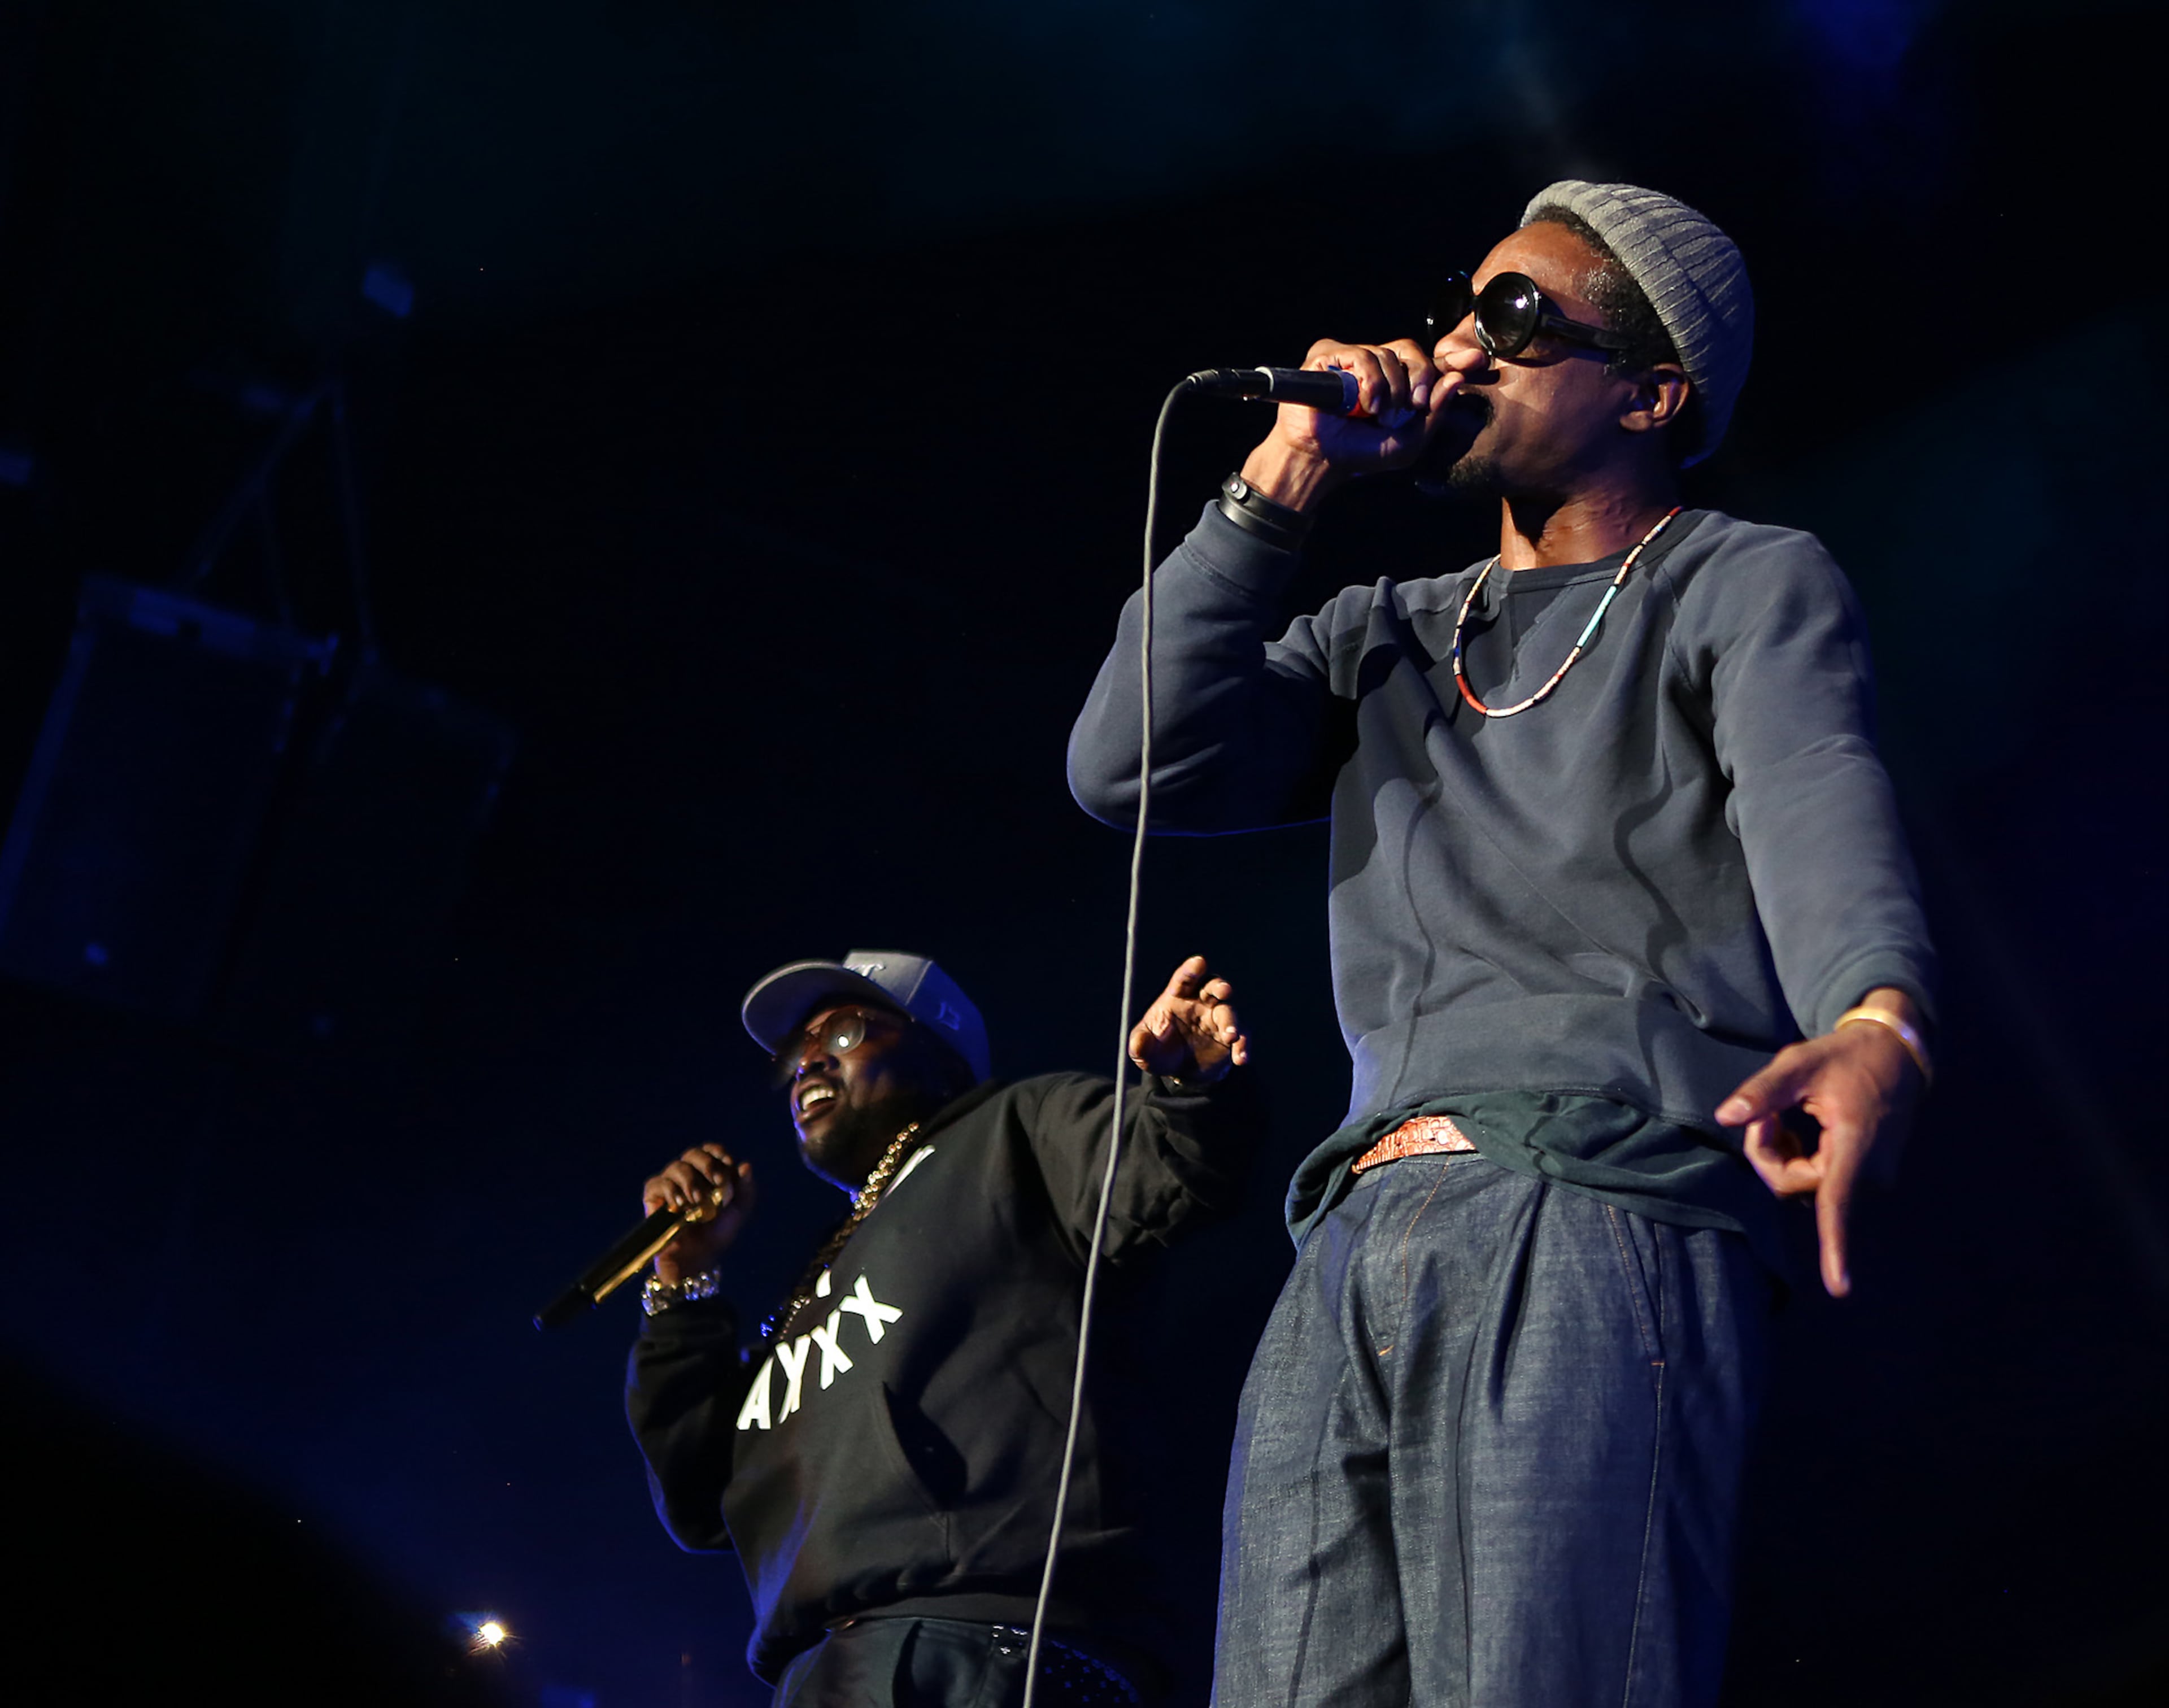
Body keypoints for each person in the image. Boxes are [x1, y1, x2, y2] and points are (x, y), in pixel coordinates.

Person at [1066, 181, 1937, 1706]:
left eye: (1521, 318)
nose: (1461, 346)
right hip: (1351, 1229)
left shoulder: (1733, 581)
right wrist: (1285, 474)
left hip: (1591, 1203)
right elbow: (1128, 767)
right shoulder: (1388, 630)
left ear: (1654, 392)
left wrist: (1876, 1016)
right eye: (1462, 306)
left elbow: (1817, 788)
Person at [624, 948, 1256, 1706]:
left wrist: (1191, 1083)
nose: (810, 1063)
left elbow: (1172, 1169)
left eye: (847, 1033)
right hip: (820, 1669)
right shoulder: (819, 1277)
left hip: (986, 1644)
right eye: (799, 1053)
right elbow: (700, 1501)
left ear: (938, 1042)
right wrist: (684, 1286)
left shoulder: (1012, 1132)